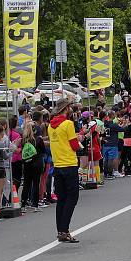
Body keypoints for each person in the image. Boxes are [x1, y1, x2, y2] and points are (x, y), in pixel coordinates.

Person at [48, 99, 82, 243]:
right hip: (69, 163)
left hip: (58, 165)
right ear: (66, 108)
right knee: (72, 198)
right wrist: (80, 139)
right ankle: (65, 229)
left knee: (61, 199)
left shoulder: (51, 126)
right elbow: (74, 145)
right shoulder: (68, 124)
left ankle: (60, 230)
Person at [20, 122, 46, 212]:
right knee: (36, 183)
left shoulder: (24, 140)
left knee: (26, 184)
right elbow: (43, 151)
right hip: (37, 163)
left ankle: (23, 204)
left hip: (27, 164)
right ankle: (35, 204)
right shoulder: (38, 139)